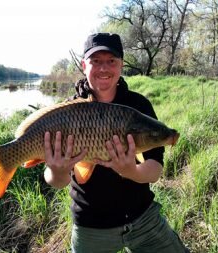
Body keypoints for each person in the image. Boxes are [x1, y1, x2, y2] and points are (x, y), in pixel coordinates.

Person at [42, 33, 188, 253]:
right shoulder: (67, 112)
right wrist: (57, 170)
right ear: (84, 65)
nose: (104, 68)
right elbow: (55, 181)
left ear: (121, 65)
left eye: (111, 61)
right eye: (96, 61)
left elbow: (155, 169)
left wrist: (131, 171)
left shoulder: (138, 106)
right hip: (91, 225)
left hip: (143, 218)